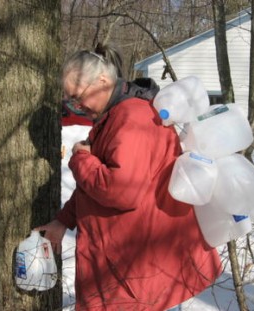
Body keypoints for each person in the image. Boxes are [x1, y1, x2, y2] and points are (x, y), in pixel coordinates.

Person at [37, 44, 222, 311]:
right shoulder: (113, 116)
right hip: (123, 265)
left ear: (102, 81)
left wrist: (79, 158)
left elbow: (120, 191)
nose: (76, 106)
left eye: (77, 97)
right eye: (70, 101)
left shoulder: (131, 119)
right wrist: (63, 221)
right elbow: (98, 182)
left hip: (134, 271)